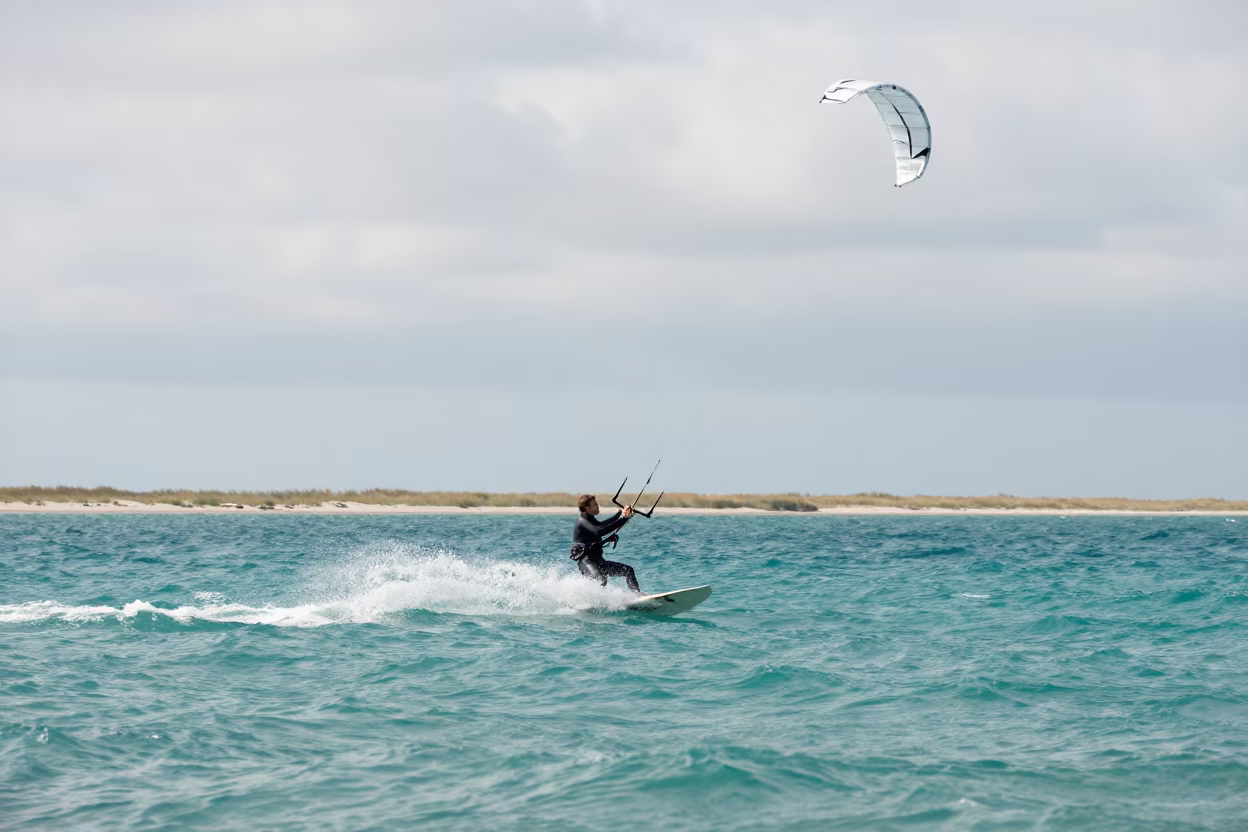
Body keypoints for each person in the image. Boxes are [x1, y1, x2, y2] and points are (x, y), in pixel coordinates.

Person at [570, 494, 640, 592]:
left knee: (628, 570)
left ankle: (636, 594)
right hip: (587, 562)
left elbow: (603, 525)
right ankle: (598, 603)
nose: (598, 506)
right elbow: (600, 531)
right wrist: (624, 518)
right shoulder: (582, 521)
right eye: (595, 505)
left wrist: (621, 514)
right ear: (587, 508)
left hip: (599, 561)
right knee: (601, 581)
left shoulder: (591, 519)